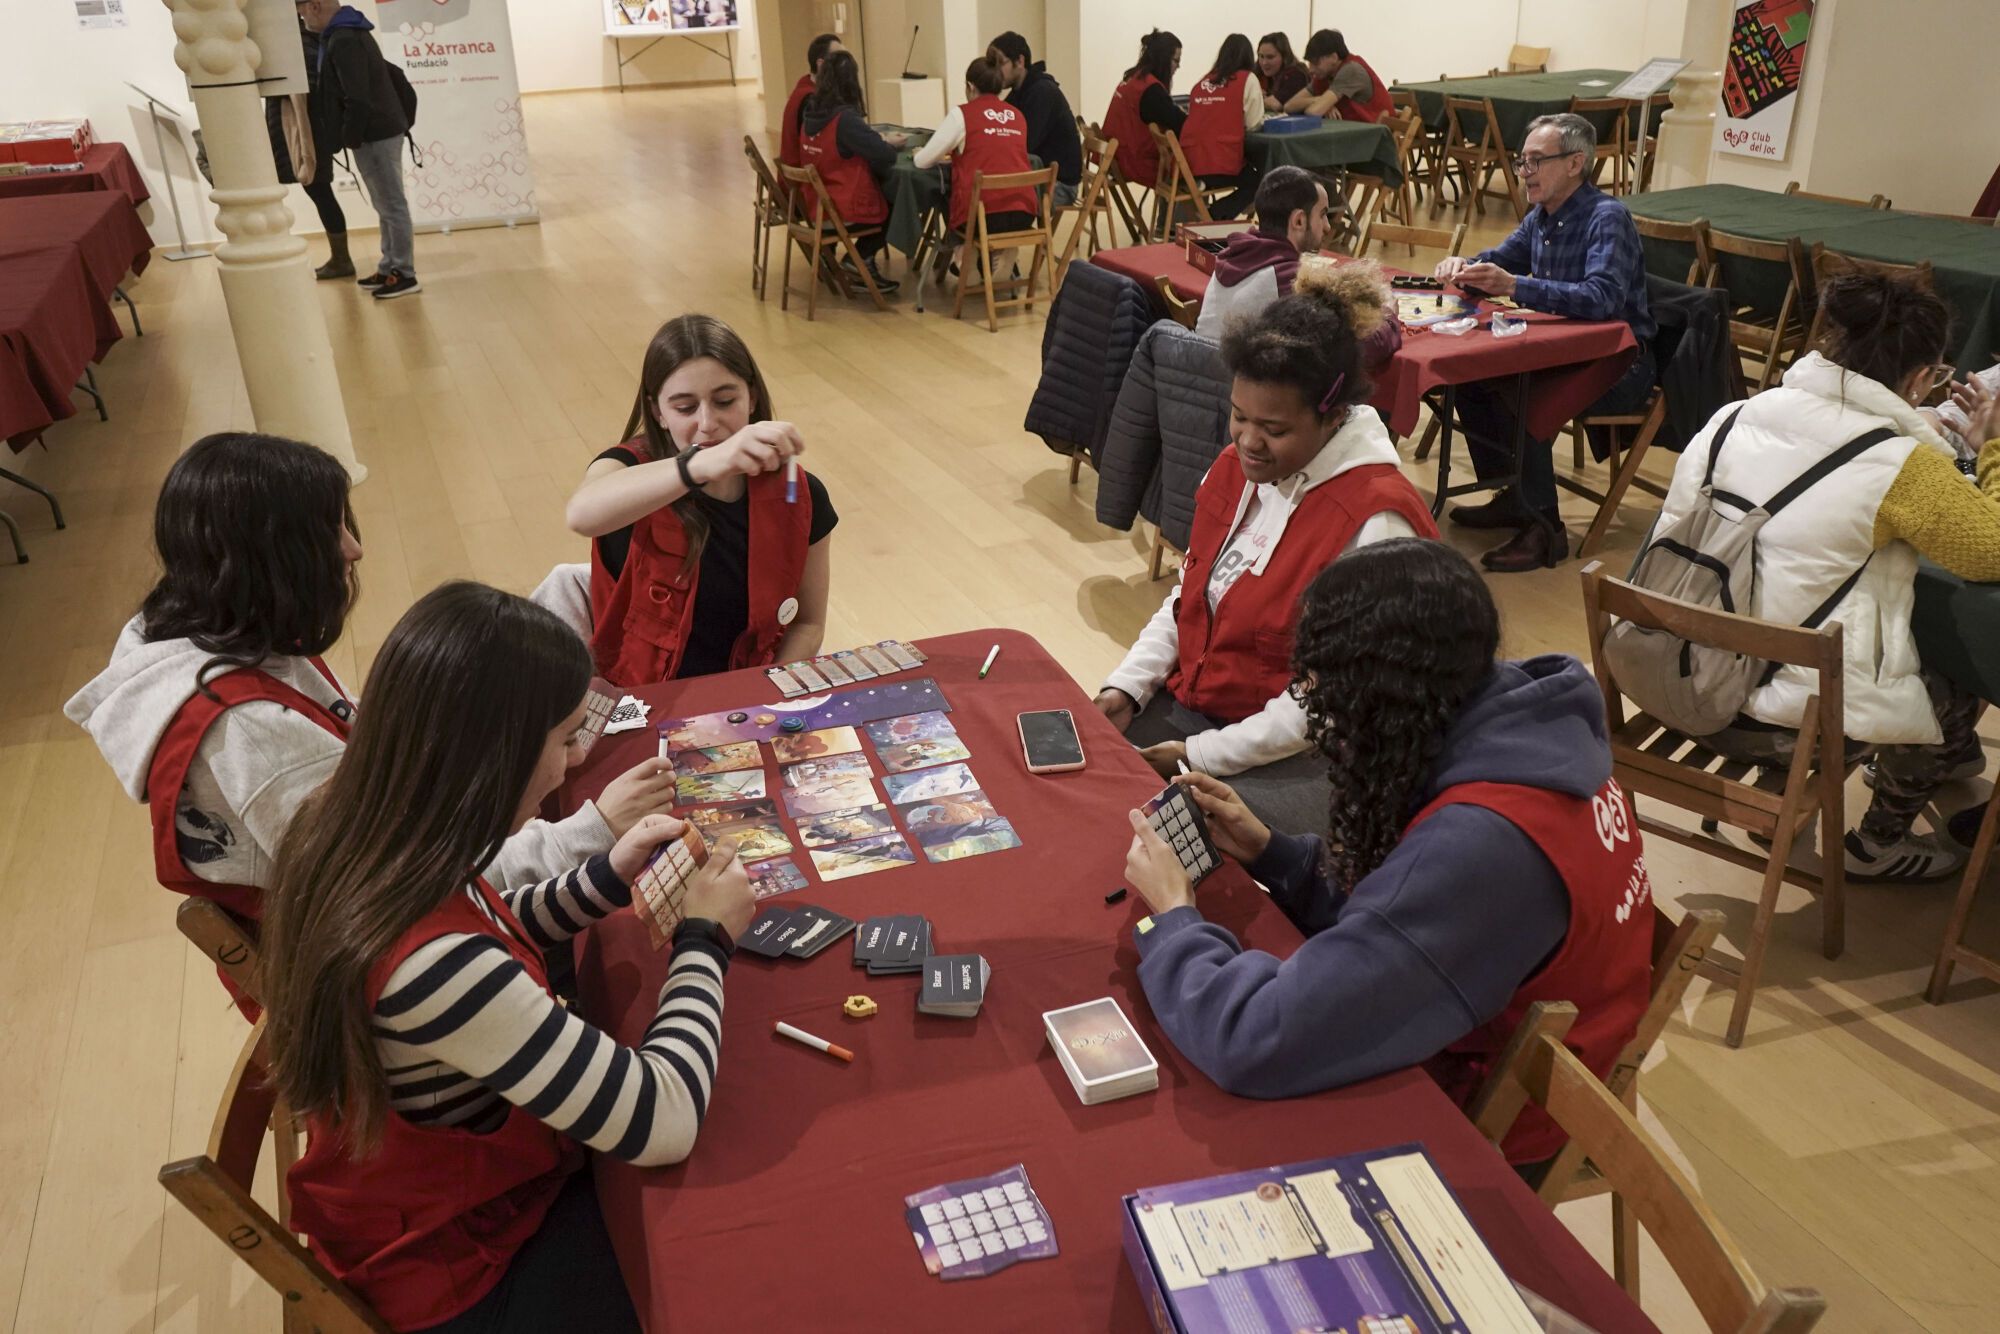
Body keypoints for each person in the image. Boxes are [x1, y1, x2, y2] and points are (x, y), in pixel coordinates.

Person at [265, 581, 757, 1333]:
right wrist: (704, 942)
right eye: (562, 740)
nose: (570, 767)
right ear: (492, 754)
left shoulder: (351, 824)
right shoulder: (435, 971)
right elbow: (662, 1120)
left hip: (421, 1192)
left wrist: (603, 877)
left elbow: (487, 920)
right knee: (727, 1255)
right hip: (461, 1264)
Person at [1121, 538, 1654, 1183]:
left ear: (1386, 698)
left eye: (1322, 689)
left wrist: (1175, 917)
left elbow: (1253, 1041)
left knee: (1163, 1140)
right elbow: (1413, 903)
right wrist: (1275, 854)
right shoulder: (1530, 730)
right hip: (1516, 1022)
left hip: (1493, 1122)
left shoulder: (1484, 845)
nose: (1315, 710)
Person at [62, 434, 670, 995]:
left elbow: (379, 792)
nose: (353, 548)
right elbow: (424, 887)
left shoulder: (221, 636)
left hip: (387, 919)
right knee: (626, 942)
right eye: (328, 532)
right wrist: (591, 832)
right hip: (380, 980)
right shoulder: (250, 734)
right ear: (265, 559)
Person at [1660, 270, 2000, 881]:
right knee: (1954, 677)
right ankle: (1877, 847)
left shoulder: (1735, 415)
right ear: (1922, 378)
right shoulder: (1903, 464)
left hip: (1675, 675)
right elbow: (1990, 552)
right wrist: (1992, 448)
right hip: (1773, 726)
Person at [1096, 266, 1437, 833]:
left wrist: (1195, 754)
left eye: (1274, 429)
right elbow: (1193, 592)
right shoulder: (1240, 468)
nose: (1248, 442)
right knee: (1085, 784)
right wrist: (1128, 686)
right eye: (1238, 416)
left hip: (1312, 758)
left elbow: (1322, 710)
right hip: (1211, 715)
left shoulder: (1376, 522)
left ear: (1331, 416)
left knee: (1163, 838)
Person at [1434, 113, 1655, 571]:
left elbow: (1603, 299)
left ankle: (1546, 528)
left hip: (1619, 361)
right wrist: (1465, 265)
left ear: (1575, 163)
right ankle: (1514, 494)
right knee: (1472, 378)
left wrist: (1513, 286)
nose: (1524, 172)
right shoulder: (1541, 216)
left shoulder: (1606, 217)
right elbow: (1499, 259)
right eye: (1522, 162)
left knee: (1524, 391)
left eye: (1536, 161)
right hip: (1564, 351)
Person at [567, 315, 836, 689]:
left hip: (749, 692)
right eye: (684, 408)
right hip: (642, 698)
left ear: (752, 397)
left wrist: (763, 692)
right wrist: (702, 463)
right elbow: (582, 514)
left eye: (725, 401)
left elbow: (807, 623)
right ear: (658, 412)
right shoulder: (629, 468)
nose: (708, 424)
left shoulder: (800, 494)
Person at [299, 0, 419, 300]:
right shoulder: (347, 31)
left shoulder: (344, 39)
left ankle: (404, 273)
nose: (302, 20)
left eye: (301, 12)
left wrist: (348, 137)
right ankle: (389, 265)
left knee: (392, 204)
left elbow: (357, 97)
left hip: (376, 133)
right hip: (375, 132)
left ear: (314, 6)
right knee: (385, 205)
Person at [795, 49, 907, 293]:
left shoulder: (810, 113)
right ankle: (861, 257)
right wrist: (890, 143)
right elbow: (884, 155)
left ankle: (837, 256)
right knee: (898, 200)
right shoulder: (844, 119)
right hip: (843, 209)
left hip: (816, 209)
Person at [913, 57, 1040, 273]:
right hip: (1024, 213)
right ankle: (994, 251)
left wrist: (919, 152)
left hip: (982, 217)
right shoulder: (1017, 115)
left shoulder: (962, 114)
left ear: (970, 87)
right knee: (976, 193)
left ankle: (962, 253)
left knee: (950, 192)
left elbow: (923, 161)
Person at [1192, 166, 1326, 339]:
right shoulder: (1288, 277)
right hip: (1234, 365)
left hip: (1202, 361)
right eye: (1322, 215)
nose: (1328, 226)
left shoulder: (1232, 254)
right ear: (1299, 220)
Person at [265, 15, 350, 279]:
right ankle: (340, 258)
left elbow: (306, 91)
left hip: (305, 131)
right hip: (308, 130)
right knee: (320, 191)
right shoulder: (307, 41)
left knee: (319, 191)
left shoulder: (295, 45)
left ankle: (342, 259)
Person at [987, 31, 1082, 206]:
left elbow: (1024, 145)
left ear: (1020, 61)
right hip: (1038, 177)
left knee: (986, 198)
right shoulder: (1020, 91)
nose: (995, 71)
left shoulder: (1042, 92)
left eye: (1000, 63)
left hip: (1058, 185)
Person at [1181, 34, 1266, 221]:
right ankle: (1215, 215)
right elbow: (1254, 124)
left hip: (1190, 164)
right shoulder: (1248, 79)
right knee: (1263, 180)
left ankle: (1212, 213)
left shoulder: (1203, 81)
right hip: (1220, 162)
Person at [1102, 30, 1183, 192]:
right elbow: (1179, 123)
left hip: (1115, 157)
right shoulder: (1151, 90)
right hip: (1134, 162)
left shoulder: (1133, 77)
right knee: (1188, 169)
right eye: (1176, 60)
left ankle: (1171, 217)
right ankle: (1198, 216)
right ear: (1163, 59)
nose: (1178, 67)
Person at [1286, 29, 1393, 123]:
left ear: (1334, 57)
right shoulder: (1324, 75)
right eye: (1310, 63)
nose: (1311, 69)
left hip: (1373, 137)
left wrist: (1322, 104)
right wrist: (1318, 100)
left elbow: (1313, 112)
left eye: (1315, 63)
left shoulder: (1351, 71)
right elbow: (1289, 106)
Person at [779, 31, 841, 168]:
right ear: (821, 64)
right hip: (804, 178)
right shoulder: (810, 99)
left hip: (798, 170)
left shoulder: (804, 88)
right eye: (839, 59)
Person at [1256, 33, 1312, 114]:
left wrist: (1256, 98)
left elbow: (1275, 104)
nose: (1264, 62)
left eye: (1270, 57)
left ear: (1284, 56)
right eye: (1261, 56)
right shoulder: (1260, 72)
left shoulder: (1296, 76)